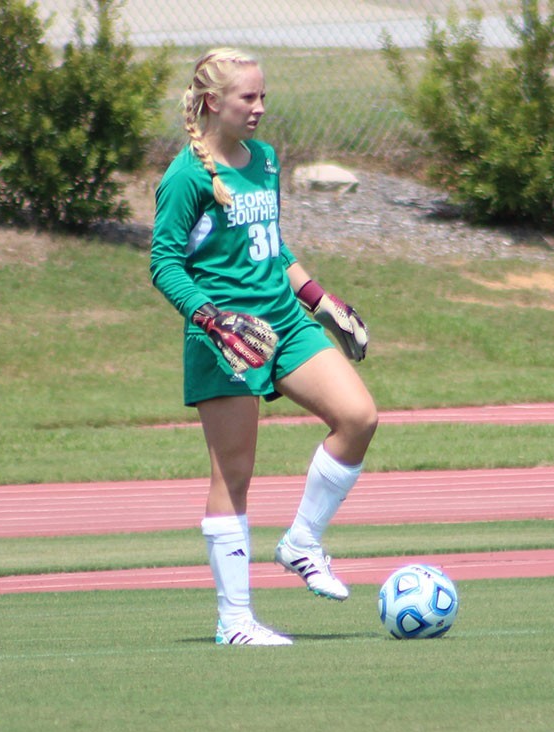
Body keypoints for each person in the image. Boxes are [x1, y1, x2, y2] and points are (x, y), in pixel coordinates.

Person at [150, 48, 378, 646]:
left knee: (358, 416)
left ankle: (302, 542)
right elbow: (164, 264)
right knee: (234, 475)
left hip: (284, 322)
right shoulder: (187, 176)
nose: (259, 107)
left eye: (262, 96)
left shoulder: (267, 159)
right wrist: (211, 319)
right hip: (226, 336)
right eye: (247, 97)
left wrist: (320, 299)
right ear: (212, 102)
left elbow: (271, 244)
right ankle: (235, 623)